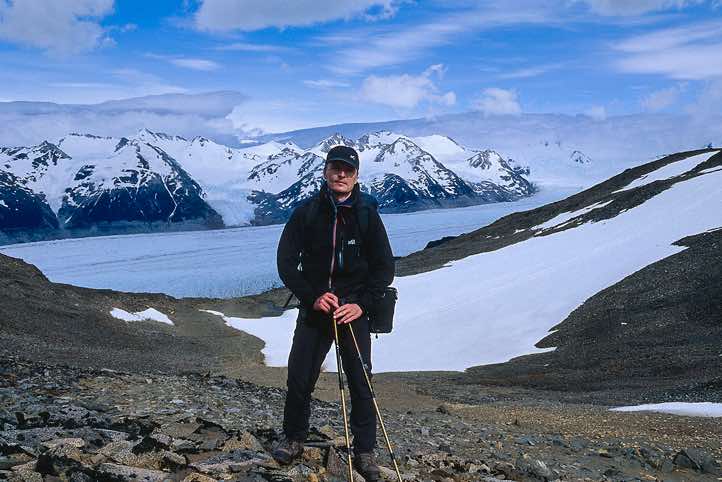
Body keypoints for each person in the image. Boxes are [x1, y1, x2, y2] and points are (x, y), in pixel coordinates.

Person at [273, 145, 395, 481]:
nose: (341, 174)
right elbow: (286, 262)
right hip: (317, 310)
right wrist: (312, 297)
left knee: (360, 382)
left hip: (353, 312)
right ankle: (294, 437)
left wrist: (362, 304)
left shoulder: (367, 214)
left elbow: (384, 268)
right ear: (325, 171)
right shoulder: (306, 213)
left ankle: (365, 451)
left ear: (356, 177)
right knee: (299, 376)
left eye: (348, 170)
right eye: (335, 168)